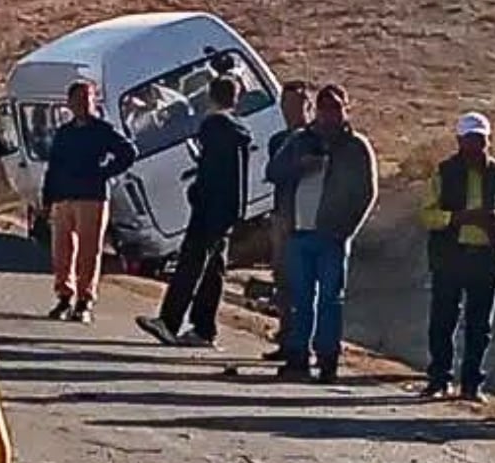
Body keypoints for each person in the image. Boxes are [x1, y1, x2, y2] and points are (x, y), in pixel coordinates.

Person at [266, 84, 378, 382]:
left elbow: (366, 192)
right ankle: (297, 357)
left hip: (333, 236)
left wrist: (345, 230)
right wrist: (298, 166)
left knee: (331, 299)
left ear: (345, 109)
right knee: (300, 298)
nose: (330, 114)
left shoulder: (356, 147)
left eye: (335, 108)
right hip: (299, 232)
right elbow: (273, 173)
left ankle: (328, 359)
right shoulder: (300, 141)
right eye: (324, 108)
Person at [137, 74, 252, 347]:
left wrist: (197, 193)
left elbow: (210, 170)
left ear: (210, 96)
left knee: (191, 262)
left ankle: (170, 320)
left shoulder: (214, 126)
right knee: (213, 270)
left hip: (209, 207)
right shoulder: (239, 130)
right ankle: (204, 327)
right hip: (228, 208)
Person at [420, 112, 495, 401]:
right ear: (459, 141)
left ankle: (472, 384)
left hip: (487, 258)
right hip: (450, 257)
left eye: (481, 140)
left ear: (488, 140)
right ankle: (439, 379)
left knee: (480, 326)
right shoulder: (443, 172)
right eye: (470, 139)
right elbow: (427, 214)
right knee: (443, 321)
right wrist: (459, 218)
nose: (476, 146)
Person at [43, 79, 138, 324]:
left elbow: (128, 153)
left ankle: (84, 301)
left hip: (92, 197)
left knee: (89, 251)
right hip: (64, 196)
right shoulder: (64, 133)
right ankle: (64, 296)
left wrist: (104, 172)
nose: (83, 104)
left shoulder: (102, 130)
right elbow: (53, 167)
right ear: (69, 104)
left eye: (88, 99)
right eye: (78, 100)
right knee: (62, 251)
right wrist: (48, 198)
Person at [262, 81, 314, 362]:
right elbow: (275, 173)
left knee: (306, 282)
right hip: (284, 215)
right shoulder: (280, 141)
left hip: (310, 218)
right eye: (285, 105)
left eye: (296, 104)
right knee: (283, 280)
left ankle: (304, 342)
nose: (289, 111)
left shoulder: (316, 138)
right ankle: (287, 336)